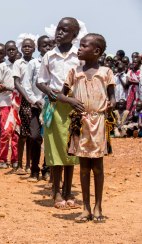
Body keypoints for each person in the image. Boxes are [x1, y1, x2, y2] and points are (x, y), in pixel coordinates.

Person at [61, 33, 115, 222]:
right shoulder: (74, 72)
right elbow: (62, 95)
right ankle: (85, 208)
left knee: (98, 167)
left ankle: (98, 206)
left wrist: (111, 104)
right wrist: (70, 101)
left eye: (84, 46)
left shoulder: (106, 72)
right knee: (83, 167)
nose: (79, 48)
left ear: (96, 51)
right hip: (80, 123)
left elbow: (112, 96)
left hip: (99, 122)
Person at [36, 17, 82, 209]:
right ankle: (55, 191)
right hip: (54, 106)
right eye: (58, 29)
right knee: (54, 150)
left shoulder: (79, 56)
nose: (59, 33)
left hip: (74, 107)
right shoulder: (49, 56)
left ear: (74, 35)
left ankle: (68, 190)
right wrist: (50, 93)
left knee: (70, 149)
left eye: (65, 30)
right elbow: (40, 81)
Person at [16, 35, 54, 180]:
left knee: (50, 138)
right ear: (38, 48)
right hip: (35, 105)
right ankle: (34, 169)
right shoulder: (33, 63)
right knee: (34, 137)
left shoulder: (55, 62)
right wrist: (34, 100)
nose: (48, 48)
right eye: (44, 45)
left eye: (50, 45)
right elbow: (26, 85)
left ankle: (47, 169)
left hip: (51, 106)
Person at [13, 35, 36, 174]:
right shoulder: (18, 63)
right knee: (22, 134)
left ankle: (29, 164)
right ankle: (20, 164)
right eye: (25, 46)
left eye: (30, 46)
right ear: (21, 48)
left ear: (34, 49)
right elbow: (16, 82)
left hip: (33, 101)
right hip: (21, 101)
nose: (27, 48)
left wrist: (32, 97)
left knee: (31, 134)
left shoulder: (36, 63)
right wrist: (26, 95)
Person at [0, 40, 19, 169]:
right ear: (5, 52)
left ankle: (15, 159)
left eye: (13, 49)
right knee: (5, 132)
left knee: (16, 132)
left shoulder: (20, 65)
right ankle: (2, 159)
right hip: (5, 102)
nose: (11, 52)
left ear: (16, 50)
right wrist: (7, 88)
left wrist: (10, 88)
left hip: (17, 103)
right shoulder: (2, 66)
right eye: (8, 50)